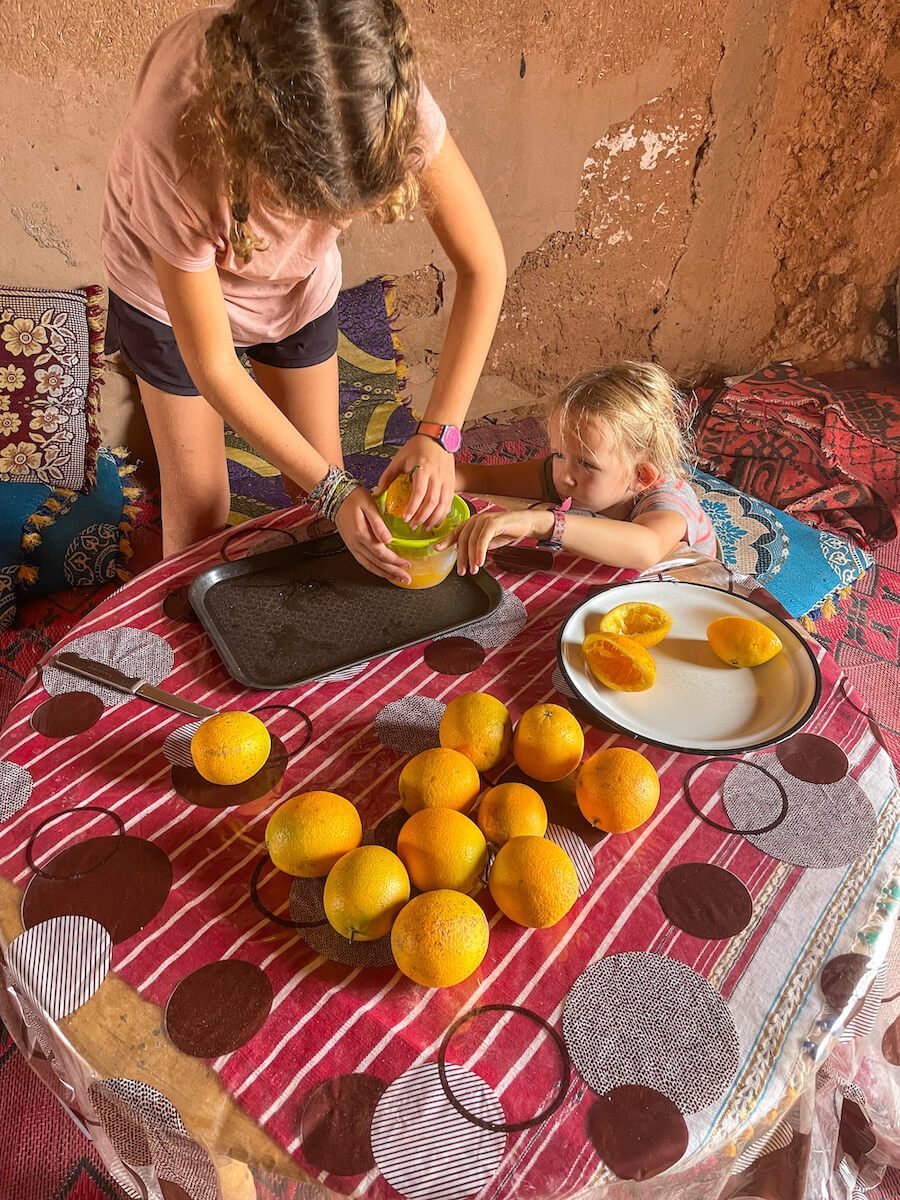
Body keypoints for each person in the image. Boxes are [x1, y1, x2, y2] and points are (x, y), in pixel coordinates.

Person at [100, 0, 506, 584]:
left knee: (315, 499)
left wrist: (438, 434)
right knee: (198, 523)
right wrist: (334, 492)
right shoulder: (173, 145)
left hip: (295, 282)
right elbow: (213, 364)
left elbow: (483, 264)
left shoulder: (380, 97)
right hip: (166, 295)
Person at [441, 361, 717, 574]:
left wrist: (540, 522)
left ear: (641, 475)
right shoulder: (570, 475)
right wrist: (434, 481)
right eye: (559, 453)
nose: (564, 474)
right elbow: (487, 478)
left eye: (586, 463)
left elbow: (648, 547)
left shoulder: (667, 502)